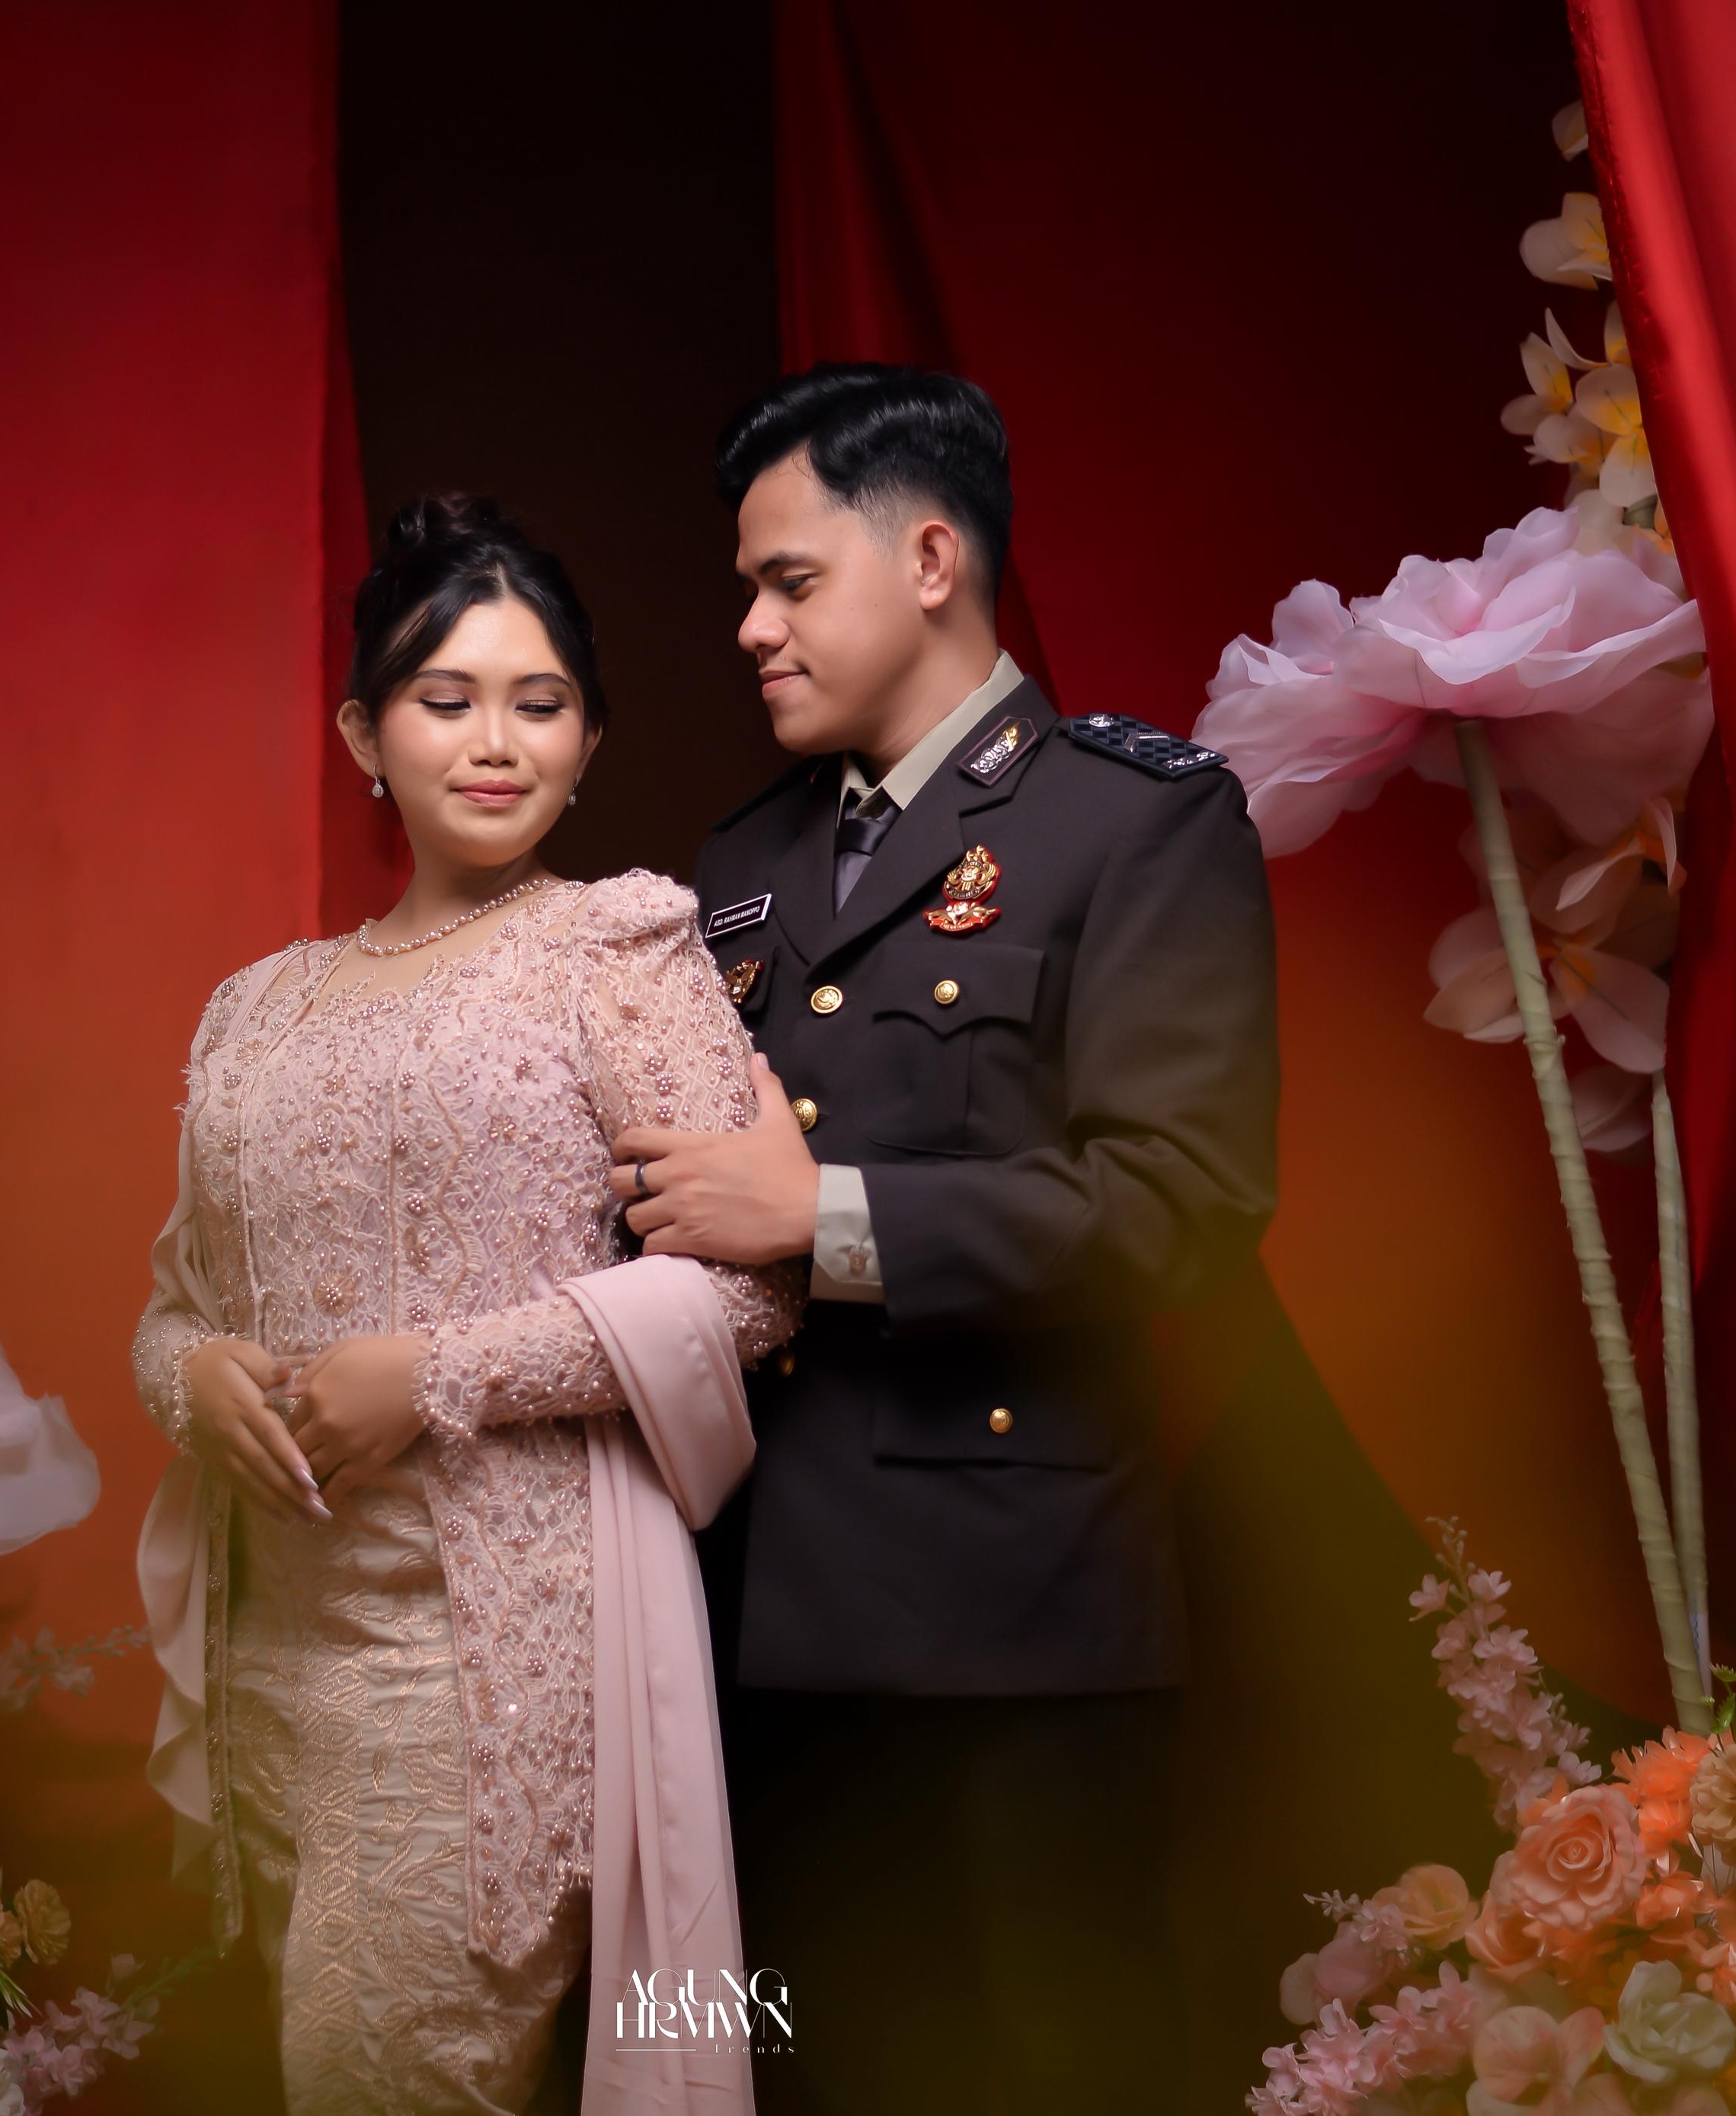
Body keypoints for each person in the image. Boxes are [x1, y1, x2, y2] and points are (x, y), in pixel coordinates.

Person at [609, 365, 1279, 2111]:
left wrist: (818, 1219)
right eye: (746, 588)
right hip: (748, 1611)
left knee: (1055, 2070)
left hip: (1012, 1618)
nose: (748, 629)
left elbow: (1183, 1205)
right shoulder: (741, 860)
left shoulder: (1133, 820)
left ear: (927, 560)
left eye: (787, 581)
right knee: (788, 2064)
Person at [132, 496, 801, 2113]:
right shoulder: (254, 1005)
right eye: (447, 700)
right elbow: (174, 1302)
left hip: (485, 1645)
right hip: (270, 1637)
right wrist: (191, 1377)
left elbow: (743, 1288)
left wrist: (430, 1373)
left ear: (588, 739)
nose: (496, 742)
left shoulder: (615, 948)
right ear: (365, 733)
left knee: (382, 2077)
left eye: (539, 702)